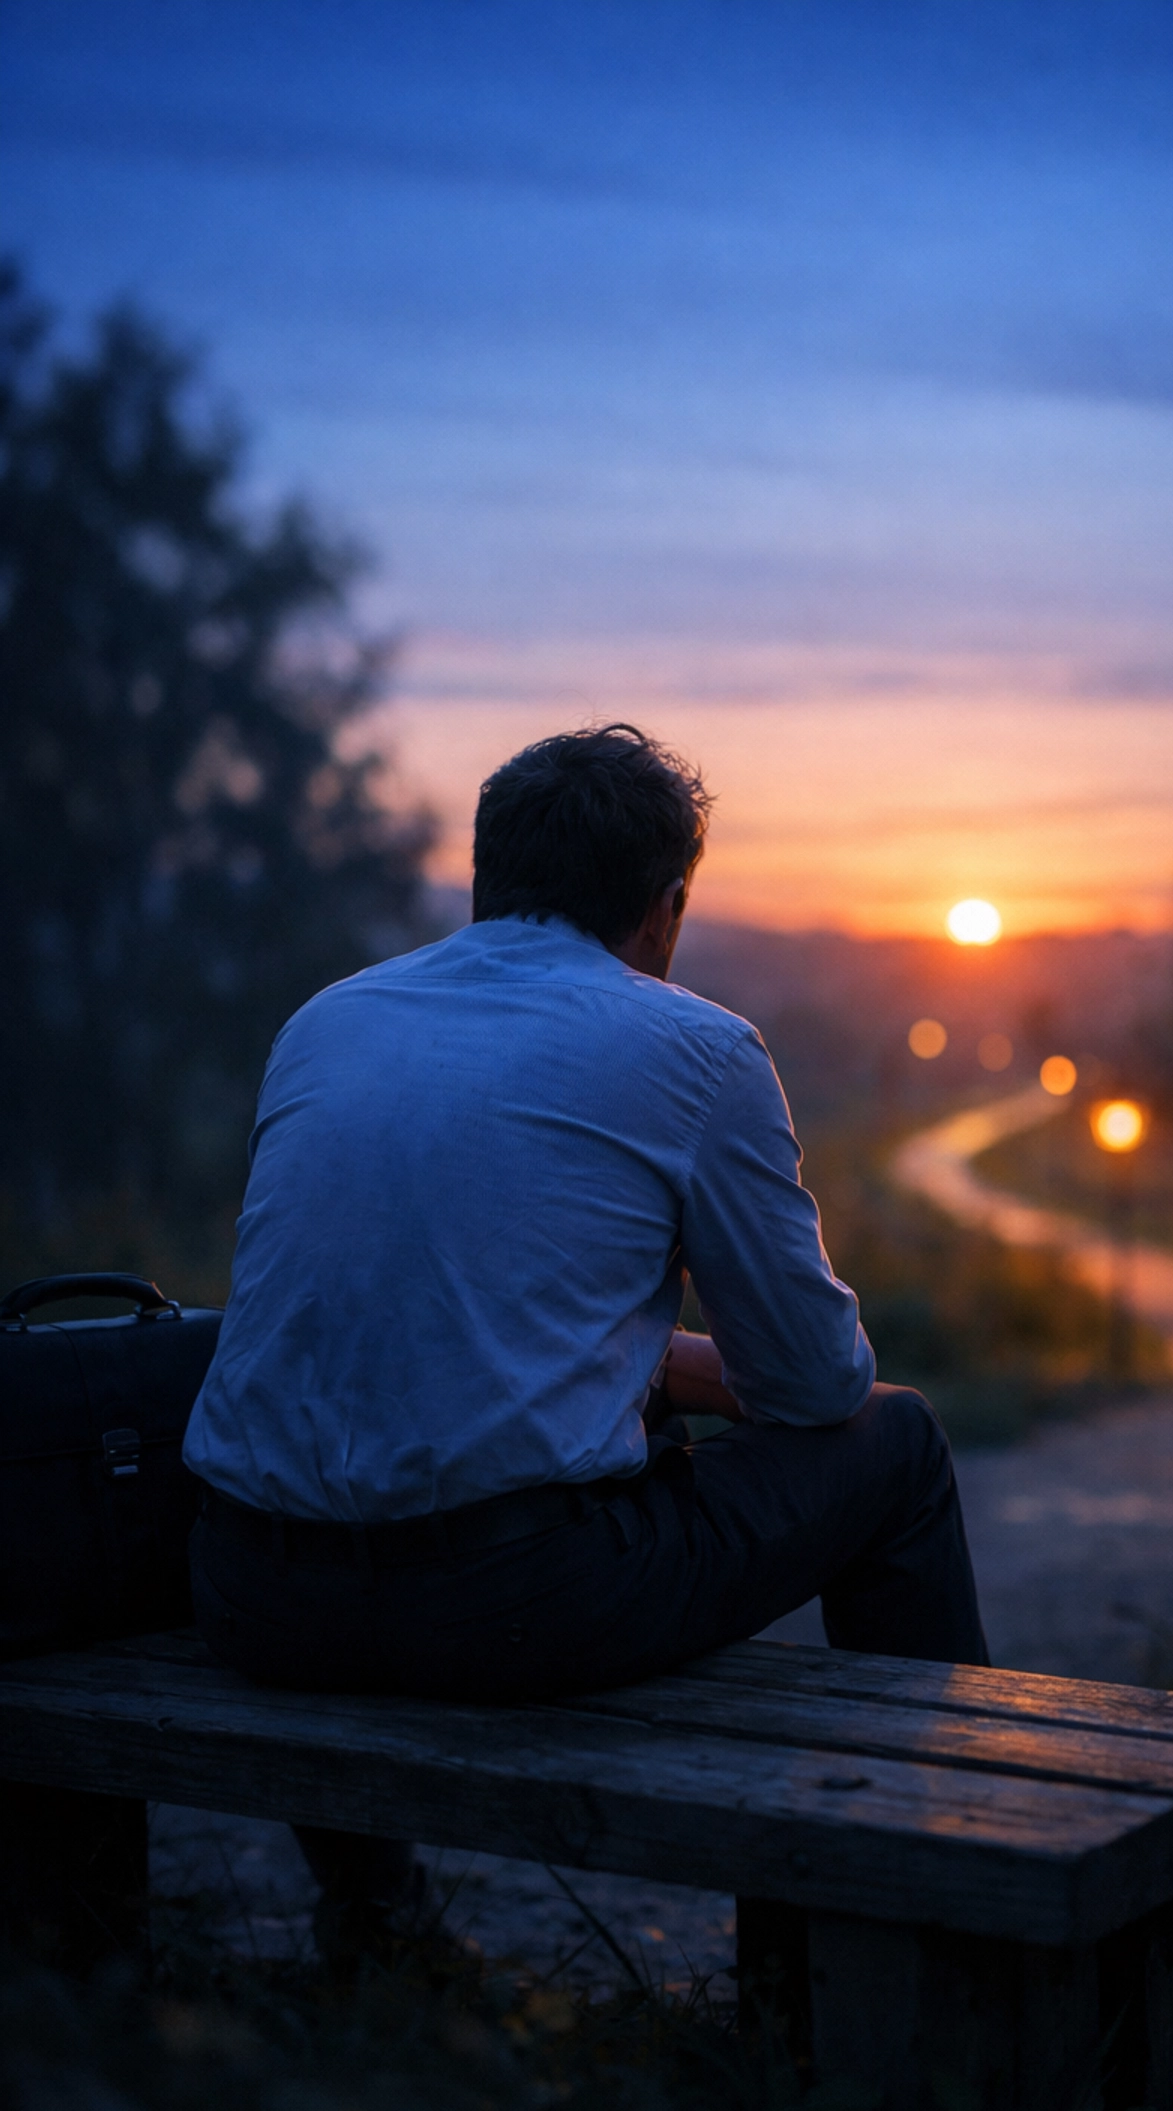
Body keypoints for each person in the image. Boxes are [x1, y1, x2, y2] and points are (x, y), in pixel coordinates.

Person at [184, 723, 988, 1953]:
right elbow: (819, 1385)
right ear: (667, 908)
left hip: (251, 1591)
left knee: (462, 1498)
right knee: (901, 1446)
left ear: (485, 877)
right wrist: (707, 1375)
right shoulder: (698, 1049)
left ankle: (381, 1929)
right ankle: (933, 1910)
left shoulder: (325, 1023)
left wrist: (653, 1370)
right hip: (509, 1605)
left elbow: (407, 1319)